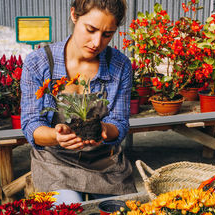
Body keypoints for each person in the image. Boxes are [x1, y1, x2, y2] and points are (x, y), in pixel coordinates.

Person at [20, 0, 137, 204]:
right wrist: (56, 136)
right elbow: (31, 124)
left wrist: (103, 130)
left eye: (107, 34)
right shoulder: (38, 63)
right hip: (55, 164)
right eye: (90, 29)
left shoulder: (120, 65)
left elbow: (119, 123)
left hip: (106, 166)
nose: (96, 42)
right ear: (74, 15)